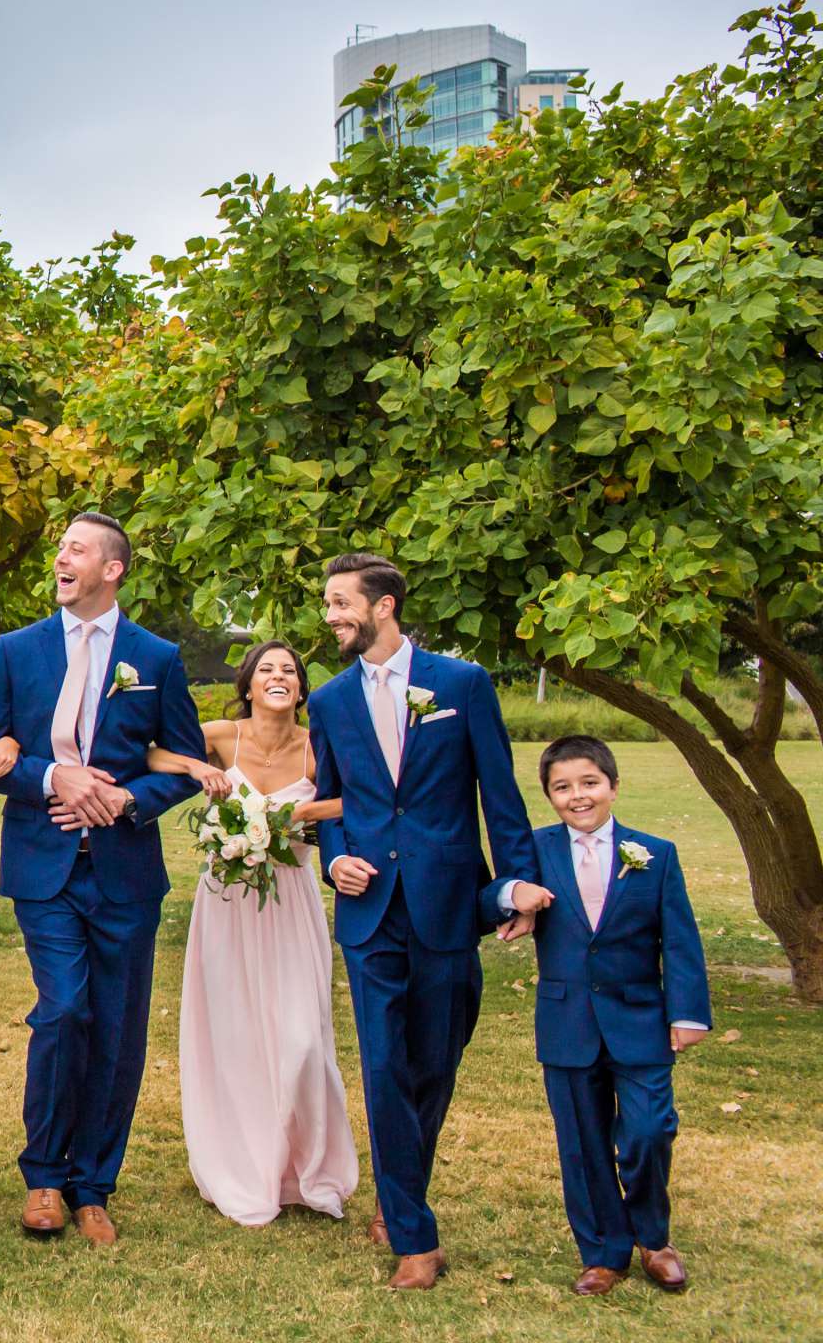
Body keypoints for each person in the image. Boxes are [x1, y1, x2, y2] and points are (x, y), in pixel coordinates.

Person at [308, 551, 550, 1289]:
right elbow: (332, 800)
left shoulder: (461, 684)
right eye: (327, 604)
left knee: (432, 1064)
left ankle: (399, 1183)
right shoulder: (329, 701)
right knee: (384, 1065)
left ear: (383, 606)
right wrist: (334, 859)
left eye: (342, 602)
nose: (332, 616)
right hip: (370, 910)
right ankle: (414, 1234)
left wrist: (516, 887)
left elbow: (501, 797)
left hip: (448, 901)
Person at [0, 513, 205, 1246]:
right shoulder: (18, 650)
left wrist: (129, 799)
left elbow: (185, 761)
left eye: (75, 548)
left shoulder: (155, 658)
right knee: (64, 1009)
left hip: (126, 873)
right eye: (60, 546)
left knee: (119, 1030)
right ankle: (43, 1175)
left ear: (113, 569)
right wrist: (53, 778)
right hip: (45, 870)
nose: (60, 556)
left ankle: (93, 1185)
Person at [146, 641, 359, 1228]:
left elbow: (356, 799)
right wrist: (197, 766)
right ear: (247, 683)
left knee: (302, 1040)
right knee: (236, 1036)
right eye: (267, 668)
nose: (278, 676)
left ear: (301, 687)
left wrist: (298, 816)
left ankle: (305, 1167)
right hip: (226, 908)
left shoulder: (317, 746)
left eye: (288, 670)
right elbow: (151, 752)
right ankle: (245, 1163)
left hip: (290, 906)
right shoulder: (220, 734)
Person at [521, 735, 708, 1296]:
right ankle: (603, 1251)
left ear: (612, 786)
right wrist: (512, 894)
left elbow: (679, 940)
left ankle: (654, 1238)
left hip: (640, 1018)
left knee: (650, 1129)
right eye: (562, 788)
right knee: (581, 1139)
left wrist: (688, 1013)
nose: (577, 796)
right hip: (567, 1020)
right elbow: (488, 898)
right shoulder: (534, 850)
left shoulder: (655, 853)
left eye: (588, 783)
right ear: (550, 797)